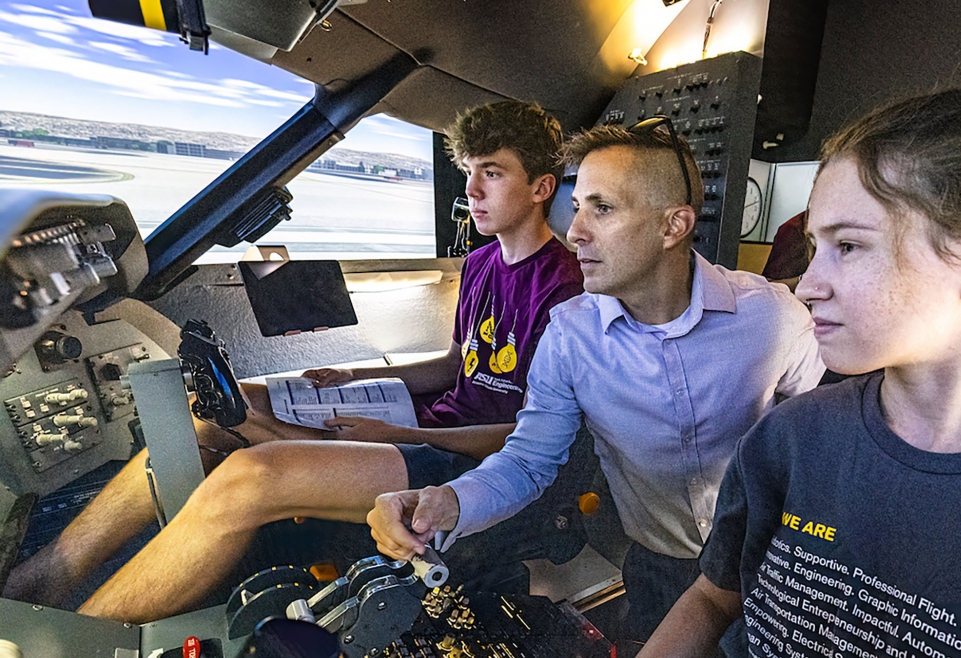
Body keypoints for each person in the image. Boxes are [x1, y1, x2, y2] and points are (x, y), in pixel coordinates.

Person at [3, 100, 585, 623]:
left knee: (249, 477)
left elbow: (530, 438)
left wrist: (397, 432)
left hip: (473, 459)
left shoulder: (567, 286)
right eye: (467, 173)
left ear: (541, 188)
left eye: (493, 172)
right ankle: (37, 582)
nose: (473, 191)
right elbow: (456, 365)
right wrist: (357, 375)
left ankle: (76, 637)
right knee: (210, 413)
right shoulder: (483, 263)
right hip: (426, 421)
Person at [641, 88, 961, 658]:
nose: (810, 285)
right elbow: (714, 599)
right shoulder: (790, 439)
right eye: (815, 246)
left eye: (848, 245)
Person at [367, 119, 825, 642]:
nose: (575, 230)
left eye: (601, 209)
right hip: (659, 567)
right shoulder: (569, 335)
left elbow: (823, 435)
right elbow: (528, 461)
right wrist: (445, 501)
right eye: (578, 206)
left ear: (673, 226)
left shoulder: (772, 317)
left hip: (774, 563)